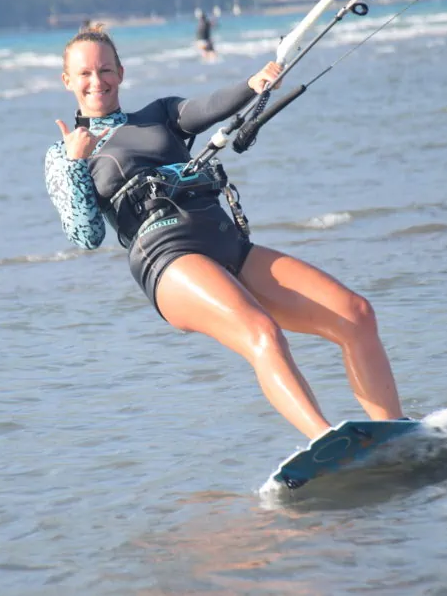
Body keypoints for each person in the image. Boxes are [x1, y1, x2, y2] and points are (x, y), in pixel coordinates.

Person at [44, 24, 406, 443]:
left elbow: (208, 107)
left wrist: (254, 84)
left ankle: (395, 435)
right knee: (262, 332)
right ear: (67, 81)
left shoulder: (160, 114)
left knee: (356, 314)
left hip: (226, 242)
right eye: (85, 74)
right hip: (167, 259)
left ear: (121, 73)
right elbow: (85, 235)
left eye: (105, 70)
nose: (96, 81)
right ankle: (326, 442)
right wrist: (75, 163)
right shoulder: (63, 152)